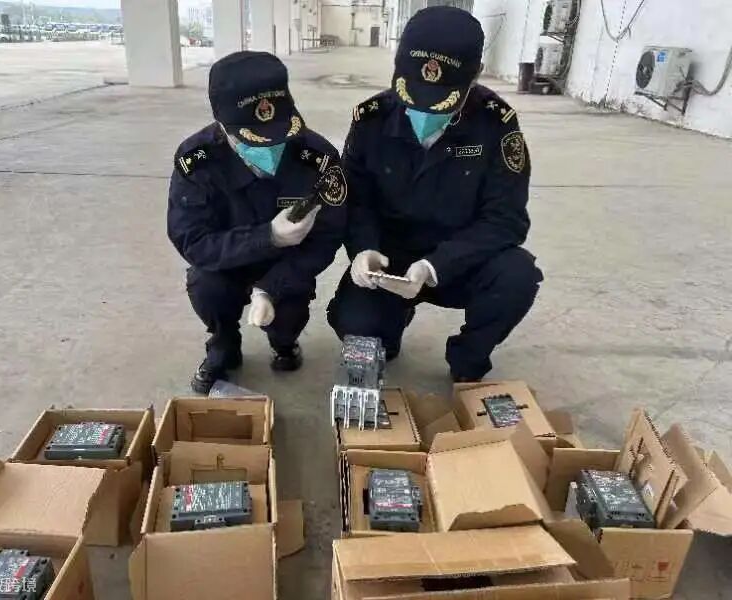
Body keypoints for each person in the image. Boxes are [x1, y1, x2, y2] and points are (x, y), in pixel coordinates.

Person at [327, 6, 543, 382]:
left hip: (461, 259)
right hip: (391, 260)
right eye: (415, 92)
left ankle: (468, 358)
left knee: (517, 277)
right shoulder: (371, 119)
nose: (424, 109)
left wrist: (433, 267)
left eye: (440, 97)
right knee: (354, 322)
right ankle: (391, 321)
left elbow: (506, 219)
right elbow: (356, 199)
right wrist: (364, 249)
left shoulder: (496, 125)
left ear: (475, 74)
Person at [168, 51, 347, 394]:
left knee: (288, 317)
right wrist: (269, 236)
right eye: (253, 136)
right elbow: (193, 241)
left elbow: (327, 236)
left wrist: (270, 288)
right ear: (222, 124)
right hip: (227, 262)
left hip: (287, 264)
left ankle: (284, 343)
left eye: (278, 132)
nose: (272, 146)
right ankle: (223, 345)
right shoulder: (198, 161)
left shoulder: (317, 158)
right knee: (205, 285)